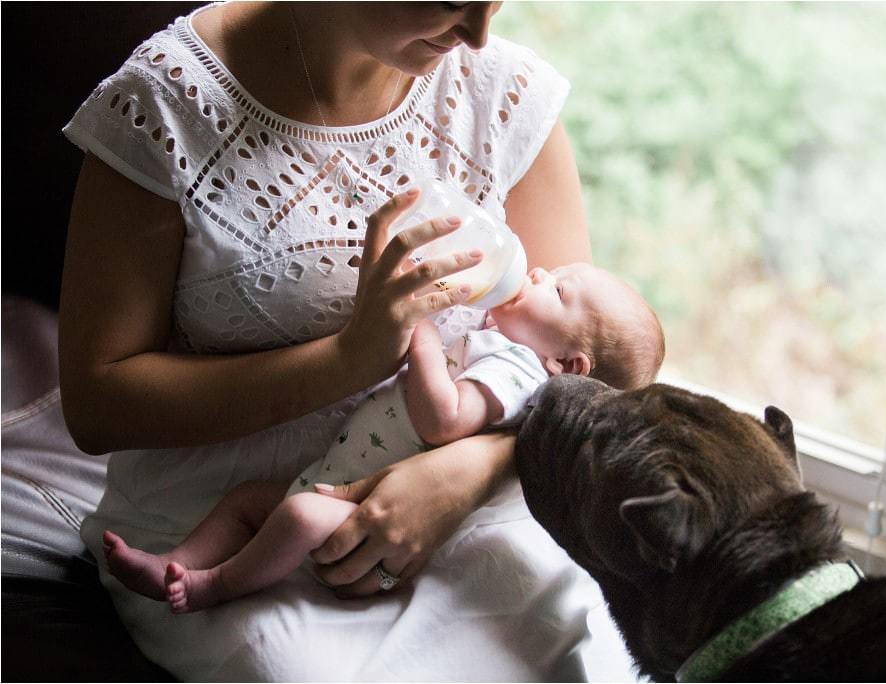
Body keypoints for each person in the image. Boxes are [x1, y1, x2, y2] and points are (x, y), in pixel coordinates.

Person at [58, 2, 625, 680]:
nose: (476, 34)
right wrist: (348, 360)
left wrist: (459, 476)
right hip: (229, 527)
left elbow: (582, 387)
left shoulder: (503, 93)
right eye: (451, 1)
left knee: (581, 646)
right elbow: (98, 404)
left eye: (496, 2)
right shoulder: (170, 102)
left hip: (473, 494)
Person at [102, 260, 664, 613]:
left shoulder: (516, 373)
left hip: (366, 511)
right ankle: (175, 561)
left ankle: (214, 584)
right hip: (336, 478)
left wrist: (422, 339)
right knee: (250, 499)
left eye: (559, 291)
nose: (538, 274)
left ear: (568, 365)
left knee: (296, 516)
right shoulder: (506, 344)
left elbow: (445, 419)